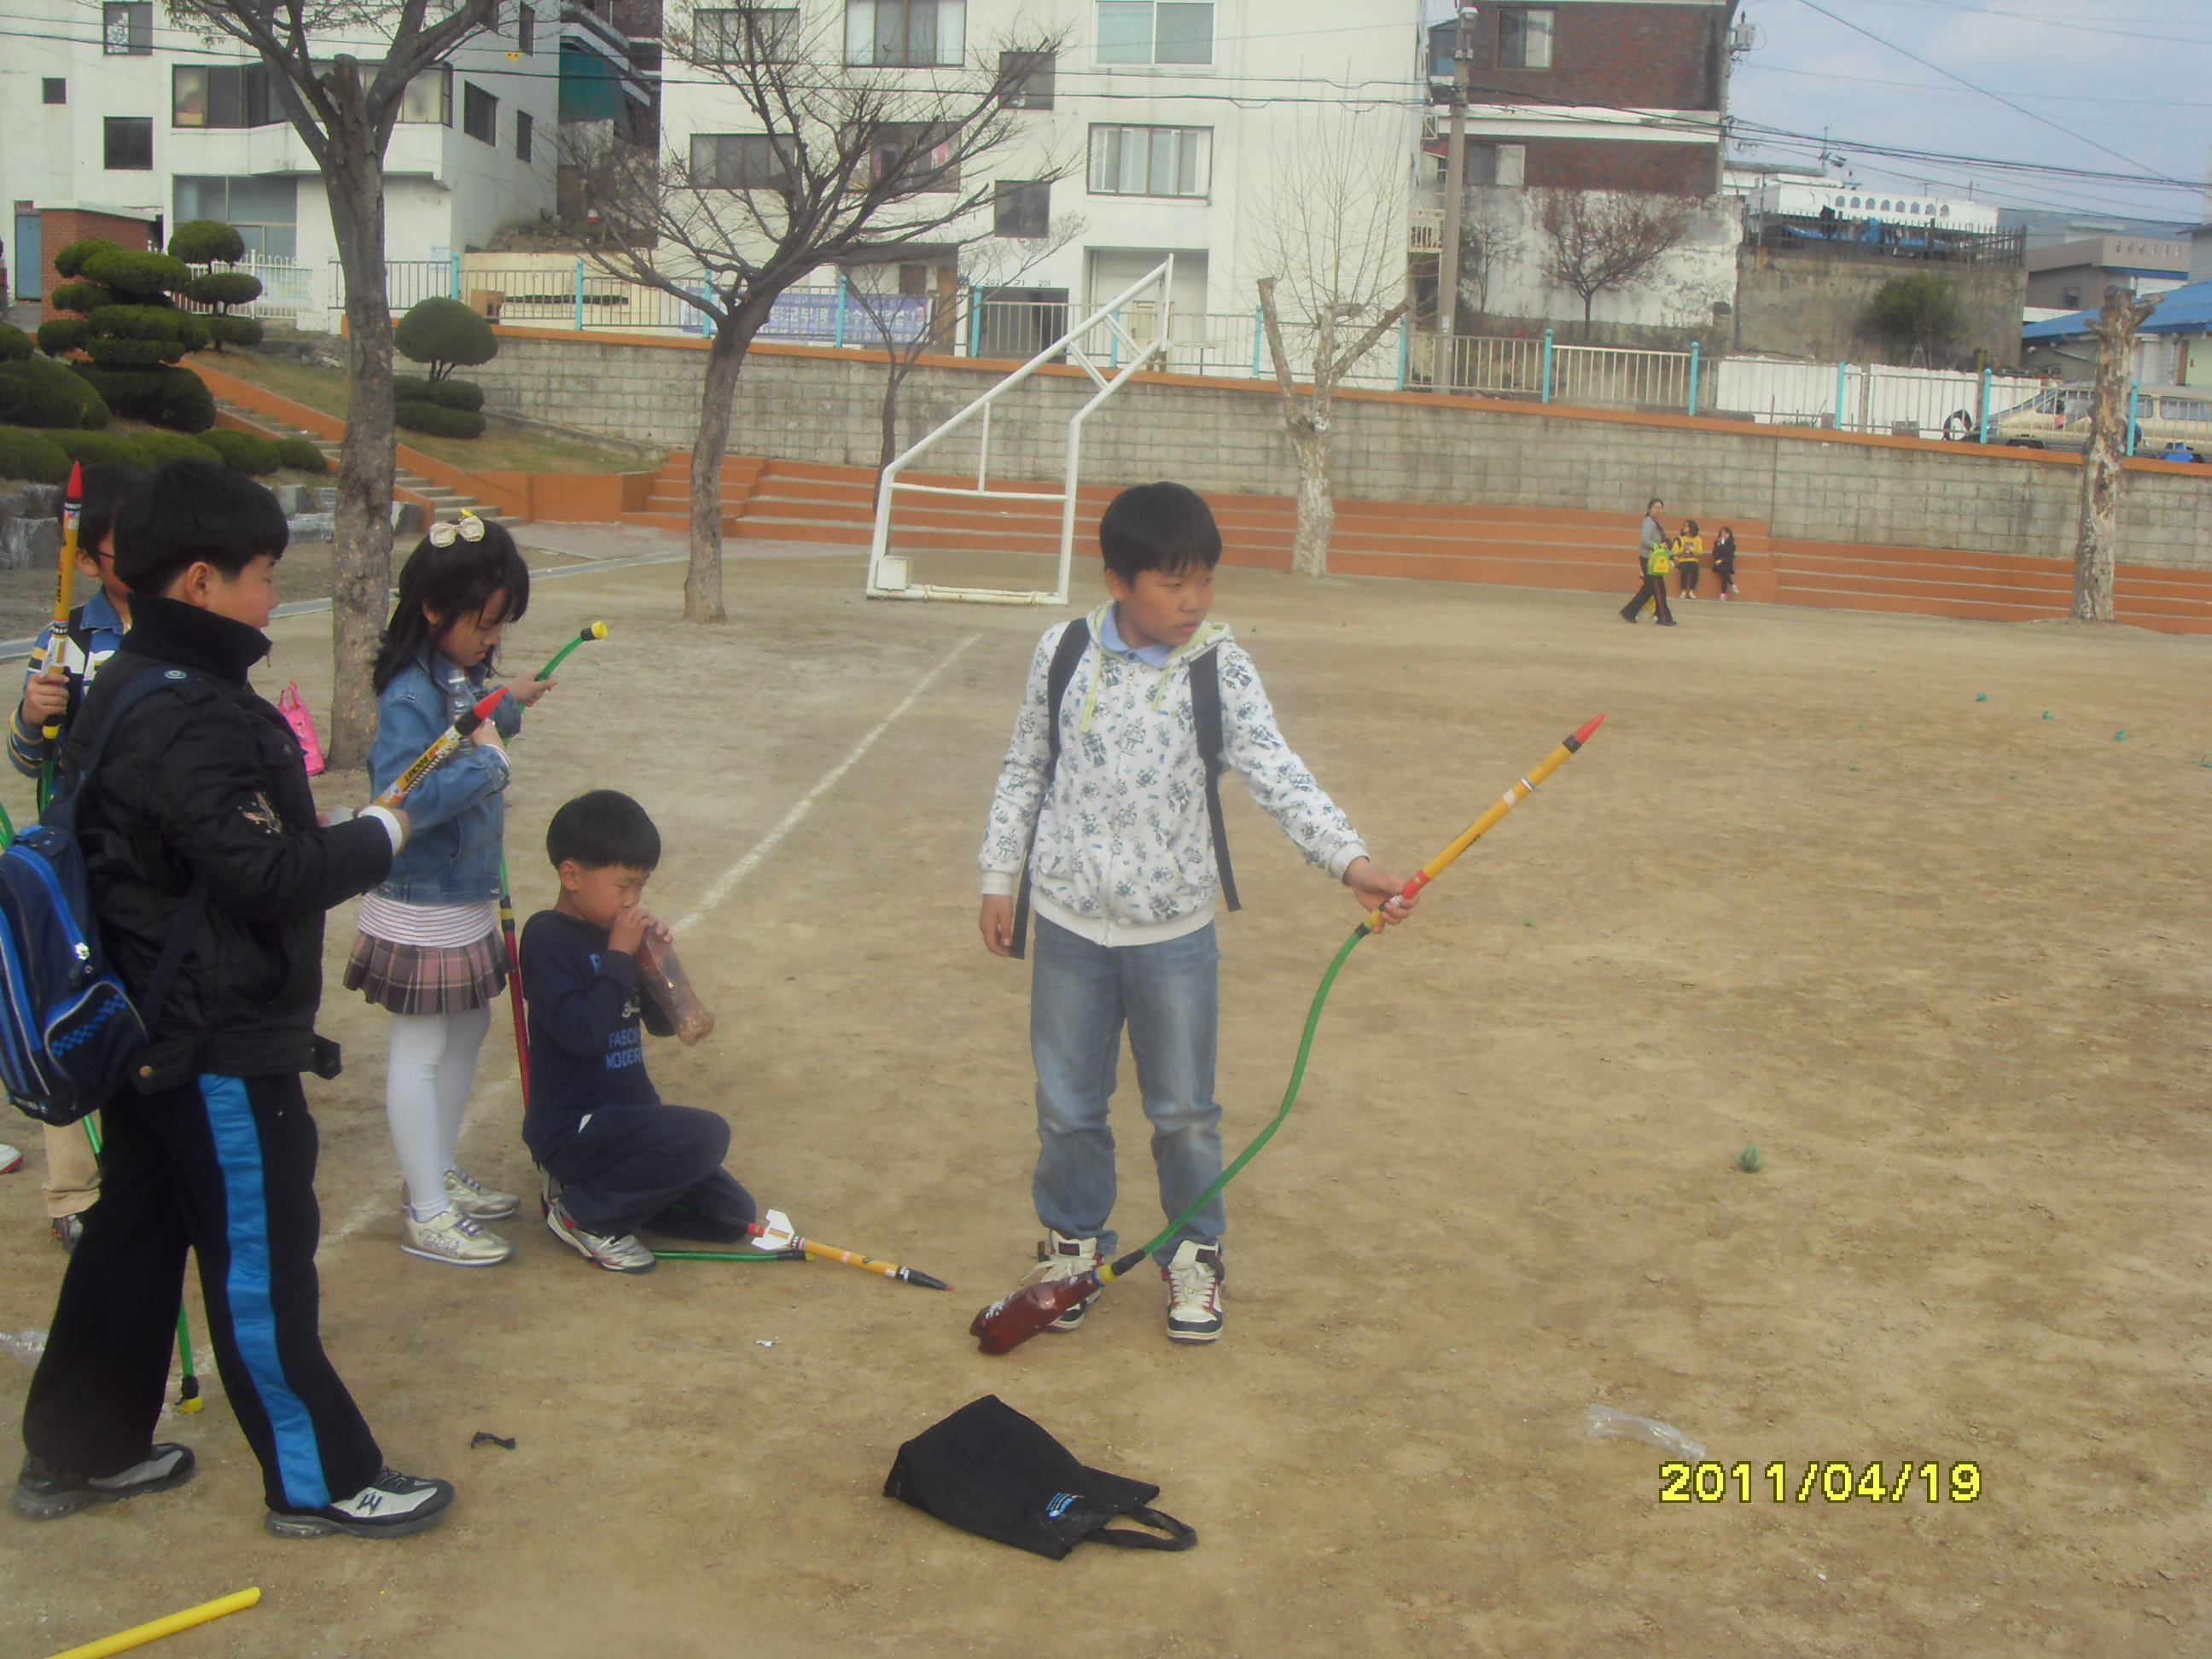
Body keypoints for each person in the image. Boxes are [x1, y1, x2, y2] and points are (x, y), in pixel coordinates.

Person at [12, 459, 455, 1540]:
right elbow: (267, 876)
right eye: (262, 575)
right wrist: (387, 829)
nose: (271, 596)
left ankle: (80, 1451)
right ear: (201, 581)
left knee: (132, 1240)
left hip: (154, 1025)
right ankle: (320, 1480)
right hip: (210, 1036)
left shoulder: (132, 678)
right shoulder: (190, 711)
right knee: (258, 1259)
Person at [976, 480, 1416, 1346]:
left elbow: (1277, 771)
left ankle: (1195, 1251)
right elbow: (1026, 764)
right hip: (1067, 922)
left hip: (1174, 933)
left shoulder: (1220, 667)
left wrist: (1351, 862)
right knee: (1068, 1104)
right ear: (1118, 581)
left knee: (1182, 1110)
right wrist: (1002, 876)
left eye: (1205, 582)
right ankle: (1073, 1246)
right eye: (1173, 584)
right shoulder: (1061, 652)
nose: (1194, 602)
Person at [347, 515, 550, 1268]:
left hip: (461, 890)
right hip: (420, 897)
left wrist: (508, 707)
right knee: (423, 1043)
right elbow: (402, 795)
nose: (491, 639)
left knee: (465, 1034)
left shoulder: (457, 673)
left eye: (500, 625)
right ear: (433, 609)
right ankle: (425, 1208)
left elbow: (470, 735)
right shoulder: (408, 693)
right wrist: (492, 764)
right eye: (483, 623)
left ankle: (437, 1173)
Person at [521, 789, 758, 1273]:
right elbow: (583, 1034)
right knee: (707, 1132)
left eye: (641, 888)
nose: (633, 902)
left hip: (626, 1120)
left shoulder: (615, 939)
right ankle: (582, 1215)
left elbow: (658, 1025)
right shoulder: (546, 939)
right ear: (571, 876)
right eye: (623, 887)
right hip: (574, 1128)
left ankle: (605, 1195)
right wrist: (618, 955)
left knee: (734, 1217)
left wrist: (656, 967)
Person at [8, 463, 145, 1253]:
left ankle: (137, 1167)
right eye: (125, 551)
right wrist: (35, 712)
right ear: (89, 560)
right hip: (78, 854)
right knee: (74, 1005)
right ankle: (72, 1191)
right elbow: (28, 758)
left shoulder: (175, 625)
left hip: (150, 856)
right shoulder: (65, 638)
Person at [1620, 498, 1677, 626]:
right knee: (1659, 589)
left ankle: (1629, 612)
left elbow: (1663, 545)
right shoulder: (1648, 523)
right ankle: (1664, 617)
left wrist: (1672, 556)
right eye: (1655, 508)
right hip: (1649, 560)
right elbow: (1645, 540)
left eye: (1660, 508)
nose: (1658, 510)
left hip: (1655, 560)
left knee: (1648, 590)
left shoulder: (1657, 525)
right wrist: (1658, 547)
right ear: (1649, 509)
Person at [1674, 519, 1703, 599]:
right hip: (1683, 560)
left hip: (1693, 560)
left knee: (1695, 569)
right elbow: (1675, 552)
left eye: (1686, 526)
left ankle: (1692, 591)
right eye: (1684, 526)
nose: (1684, 527)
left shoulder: (1697, 539)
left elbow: (1700, 552)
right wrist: (1683, 550)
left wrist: (1691, 549)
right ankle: (1683, 591)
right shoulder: (1680, 539)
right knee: (1684, 570)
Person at [1711, 525, 1739, 599]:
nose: (1723, 535)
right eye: (1722, 533)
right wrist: (1719, 544)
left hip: (1727, 564)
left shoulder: (1732, 545)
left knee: (1725, 573)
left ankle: (1723, 593)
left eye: (1725, 533)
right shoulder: (1717, 543)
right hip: (1718, 565)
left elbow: (1729, 556)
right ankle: (1732, 585)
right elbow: (1715, 553)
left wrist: (1722, 560)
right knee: (1724, 571)